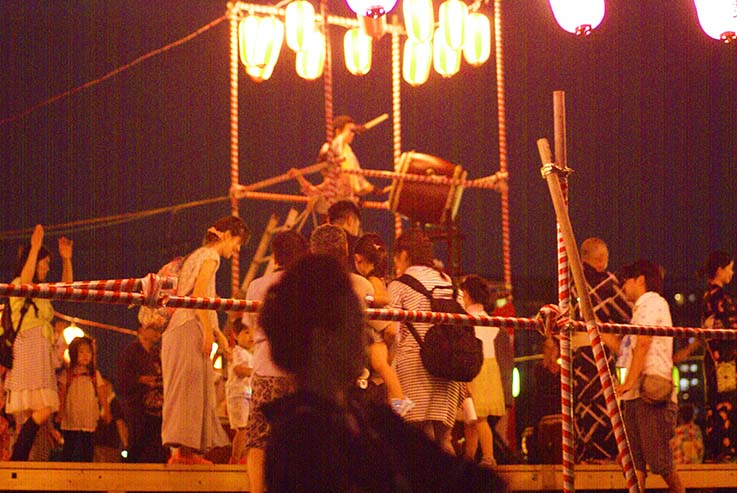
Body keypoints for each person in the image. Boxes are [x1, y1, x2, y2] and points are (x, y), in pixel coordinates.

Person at [258, 254, 507, 492]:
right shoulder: (321, 433)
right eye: (356, 322)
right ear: (323, 339)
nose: (364, 337)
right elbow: (456, 475)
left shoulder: (352, 420)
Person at [161, 215, 249, 465]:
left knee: (188, 386)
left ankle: (185, 452)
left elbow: (201, 297)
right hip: (189, 326)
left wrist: (218, 334)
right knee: (190, 386)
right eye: (237, 242)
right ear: (228, 236)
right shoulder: (211, 257)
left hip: (181, 326)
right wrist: (209, 333)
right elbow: (199, 296)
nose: (237, 249)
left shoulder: (196, 255)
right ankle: (184, 454)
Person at [387, 229, 466, 454]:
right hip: (449, 370)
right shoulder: (449, 283)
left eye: (396, 259)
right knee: (444, 439)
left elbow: (391, 331)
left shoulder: (400, 285)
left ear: (404, 254)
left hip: (413, 370)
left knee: (419, 437)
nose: (395, 265)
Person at [242, 230, 308, 493]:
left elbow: (250, 326)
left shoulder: (257, 286)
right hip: (299, 371)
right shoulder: (309, 285)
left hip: (265, 366)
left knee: (258, 440)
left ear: (276, 256)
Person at [615, 259, 683, 493]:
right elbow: (629, 349)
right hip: (636, 393)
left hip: (650, 392)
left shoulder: (653, 303)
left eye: (626, 281)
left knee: (659, 460)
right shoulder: (639, 310)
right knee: (634, 463)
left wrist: (628, 382)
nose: (623, 287)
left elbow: (644, 342)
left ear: (640, 280)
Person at [7, 224, 73, 461]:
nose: (47, 267)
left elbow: (66, 289)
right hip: (29, 347)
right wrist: (35, 248)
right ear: (33, 262)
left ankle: (21, 459)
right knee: (45, 407)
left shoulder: (42, 291)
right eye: (44, 263)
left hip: (40, 349)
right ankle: (18, 457)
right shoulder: (19, 283)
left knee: (35, 411)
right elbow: (25, 282)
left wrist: (67, 259)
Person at [573, 237, 631, 463]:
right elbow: (626, 313)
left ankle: (584, 453)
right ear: (600, 260)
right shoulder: (606, 282)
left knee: (581, 404)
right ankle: (604, 454)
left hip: (576, 355)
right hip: (600, 350)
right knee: (604, 403)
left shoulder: (571, 283)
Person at [460, 275, 505, 467]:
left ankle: (488, 456)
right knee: (473, 418)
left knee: (477, 418)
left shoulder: (468, 319)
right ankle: (470, 458)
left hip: (474, 368)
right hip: (488, 368)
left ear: (467, 294)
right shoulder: (488, 318)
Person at [116, 323, 167, 463]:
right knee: (137, 442)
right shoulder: (131, 352)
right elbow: (122, 379)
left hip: (157, 407)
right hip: (137, 406)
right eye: (153, 329)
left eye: (158, 329)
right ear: (141, 330)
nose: (157, 333)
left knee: (156, 445)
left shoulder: (156, 353)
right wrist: (141, 379)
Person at [57, 336, 109, 462]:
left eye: (88, 352)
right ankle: (66, 470)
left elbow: (102, 393)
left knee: (88, 447)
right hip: (71, 416)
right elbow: (61, 394)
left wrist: (106, 409)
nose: (86, 355)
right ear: (74, 354)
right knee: (69, 447)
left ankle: (87, 471)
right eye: (81, 352)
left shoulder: (94, 375)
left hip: (89, 416)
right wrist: (60, 412)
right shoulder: (67, 374)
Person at [528, 336, 562, 464]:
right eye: (548, 348)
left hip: (560, 413)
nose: (551, 351)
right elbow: (540, 389)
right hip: (544, 414)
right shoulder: (539, 368)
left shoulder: (564, 368)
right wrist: (548, 362)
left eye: (554, 347)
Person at [226, 319, 254, 465]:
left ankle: (243, 458)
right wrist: (254, 372)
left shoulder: (250, 354)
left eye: (253, 333)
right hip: (238, 395)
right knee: (242, 428)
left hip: (246, 394)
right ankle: (236, 458)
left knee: (247, 429)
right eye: (246, 332)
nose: (251, 336)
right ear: (236, 335)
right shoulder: (237, 351)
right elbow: (238, 369)